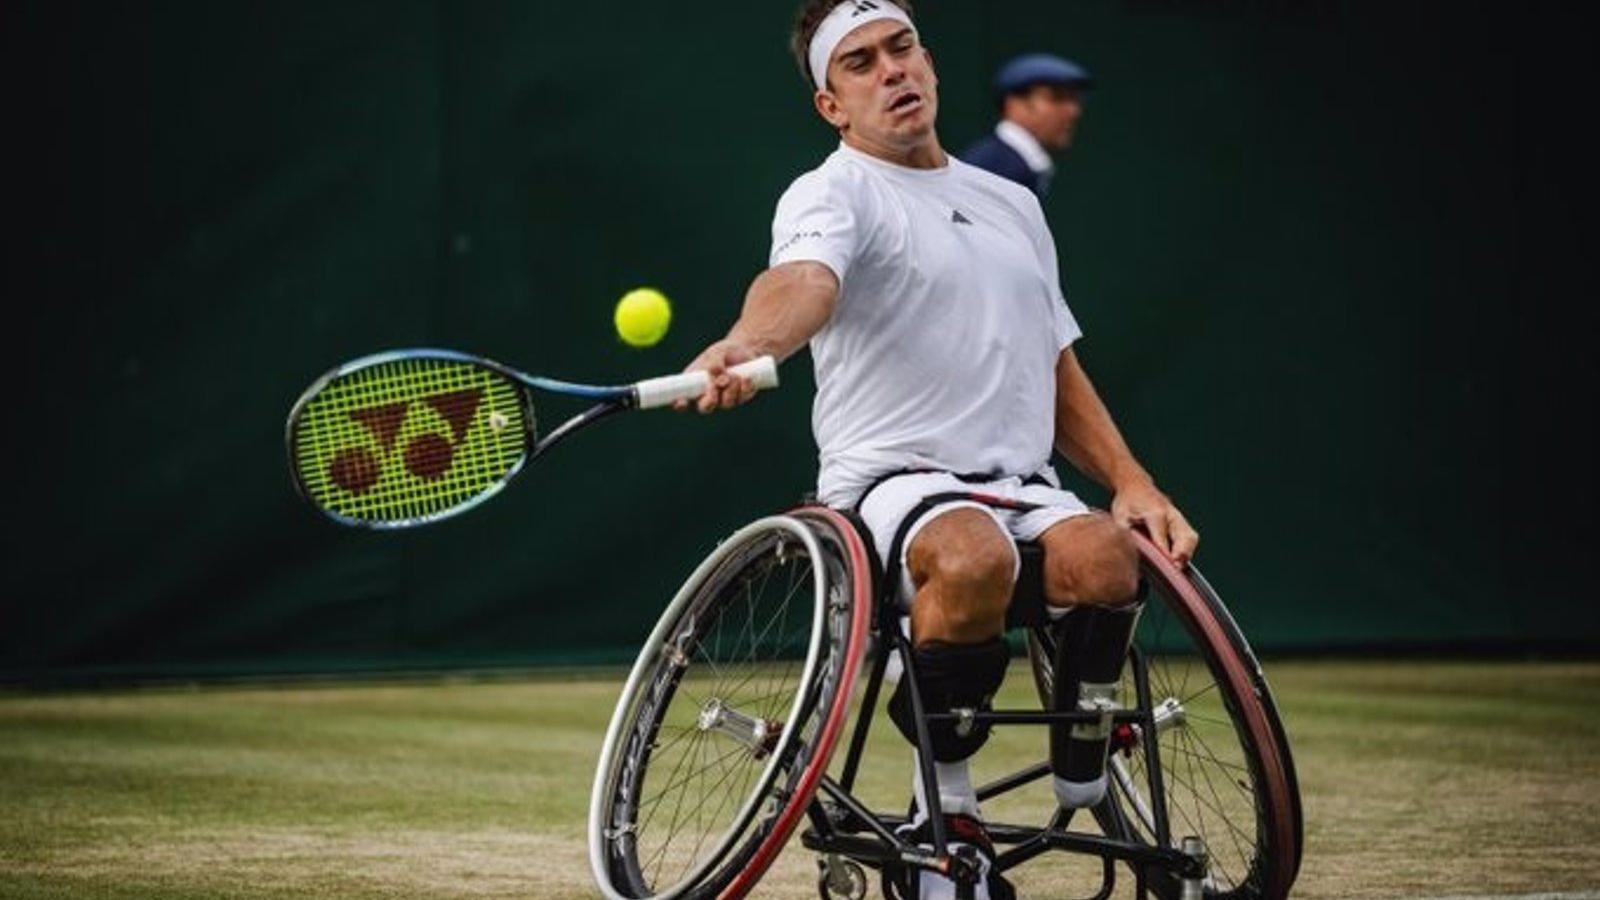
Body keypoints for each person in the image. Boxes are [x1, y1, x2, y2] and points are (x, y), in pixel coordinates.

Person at [679, 1, 1197, 895]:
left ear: (930, 63)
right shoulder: (830, 193)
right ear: (831, 106)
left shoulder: (1013, 204)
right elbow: (802, 283)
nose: (892, 70)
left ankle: (1084, 745)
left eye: (902, 48)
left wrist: (1131, 480)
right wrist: (748, 343)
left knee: (1110, 555)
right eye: (861, 63)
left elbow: (1055, 364)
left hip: (1022, 485)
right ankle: (945, 817)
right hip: (892, 485)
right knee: (971, 554)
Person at [960, 53, 1093, 197]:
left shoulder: (1012, 164)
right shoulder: (993, 169)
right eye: (1057, 97)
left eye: (1075, 100)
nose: (1073, 111)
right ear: (1014, 104)